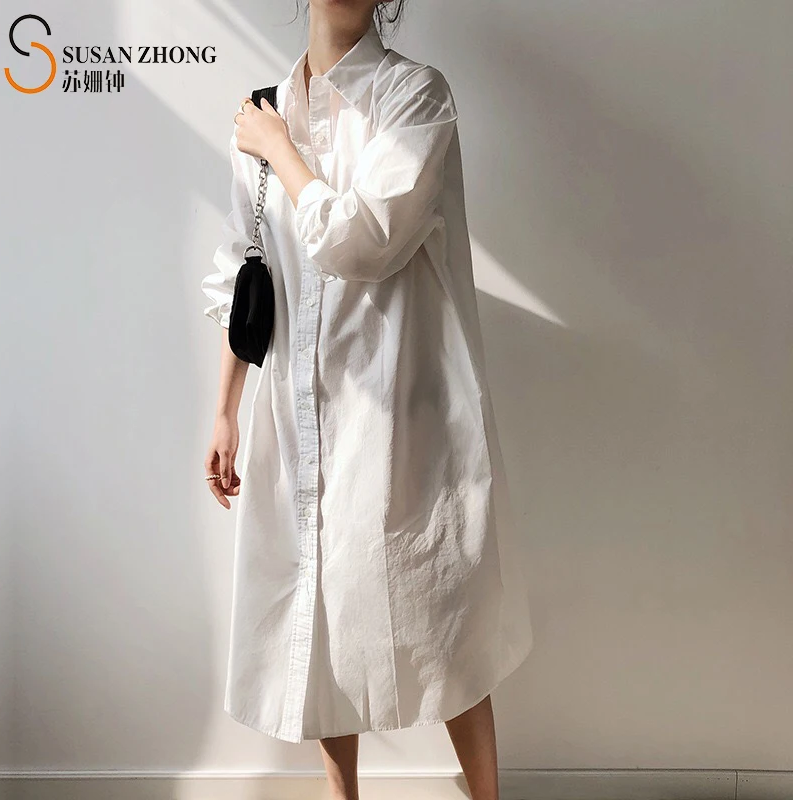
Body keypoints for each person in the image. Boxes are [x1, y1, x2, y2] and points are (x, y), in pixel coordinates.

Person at [201, 2, 533, 798]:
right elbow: (247, 270)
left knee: (446, 618)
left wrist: (280, 150)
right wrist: (224, 408)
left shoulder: (416, 97)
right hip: (299, 409)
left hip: (403, 412)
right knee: (316, 610)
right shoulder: (264, 111)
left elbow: (364, 242)